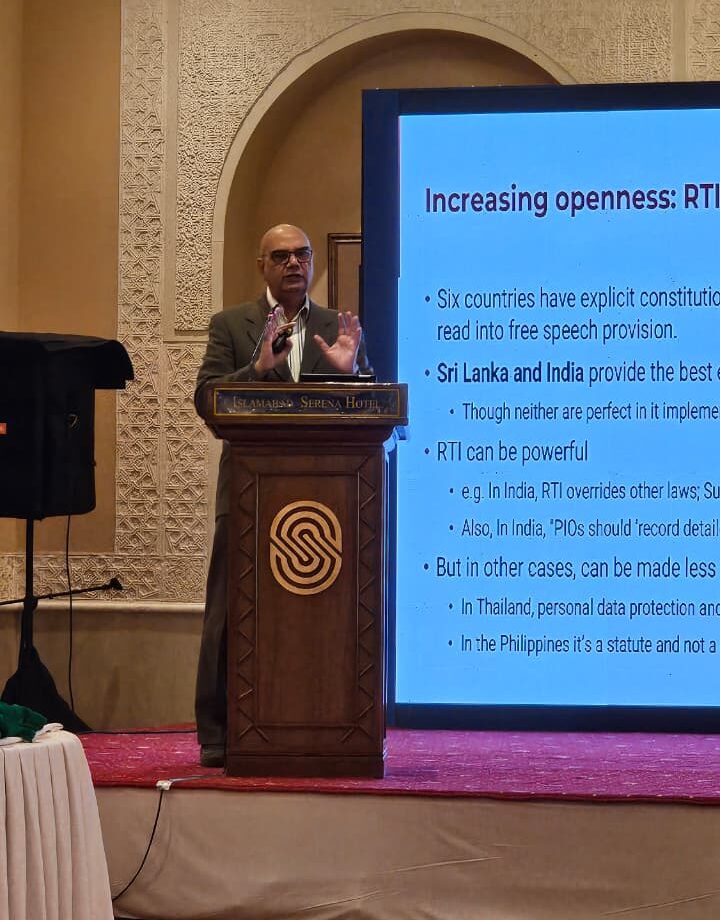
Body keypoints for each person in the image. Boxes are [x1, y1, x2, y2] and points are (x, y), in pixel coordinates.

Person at [193, 223, 372, 767]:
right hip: (249, 494)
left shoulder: (337, 327)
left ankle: (328, 721)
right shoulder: (233, 325)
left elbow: (370, 406)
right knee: (228, 609)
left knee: (325, 612)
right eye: (281, 256)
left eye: (302, 254)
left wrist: (350, 375)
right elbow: (206, 399)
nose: (294, 264)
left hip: (329, 498)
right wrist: (256, 371)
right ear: (262, 266)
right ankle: (218, 733)